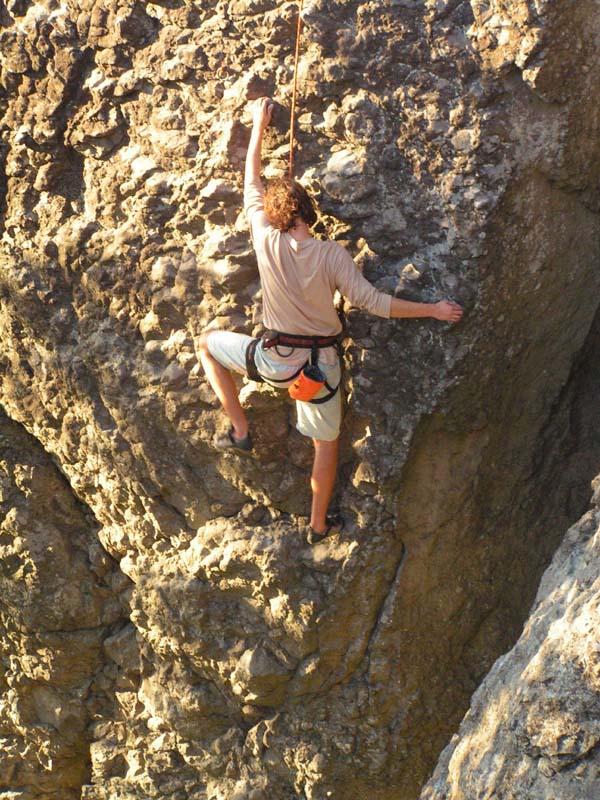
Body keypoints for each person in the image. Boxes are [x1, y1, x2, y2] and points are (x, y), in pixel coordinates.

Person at [197, 97, 463, 544]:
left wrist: (258, 125)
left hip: (273, 359)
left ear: (276, 215)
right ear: (308, 211)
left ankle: (240, 429)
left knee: (207, 343)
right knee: (326, 444)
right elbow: (373, 301)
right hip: (319, 369)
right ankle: (318, 526)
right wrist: (433, 310)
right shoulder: (332, 255)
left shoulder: (265, 238)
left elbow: (251, 183)